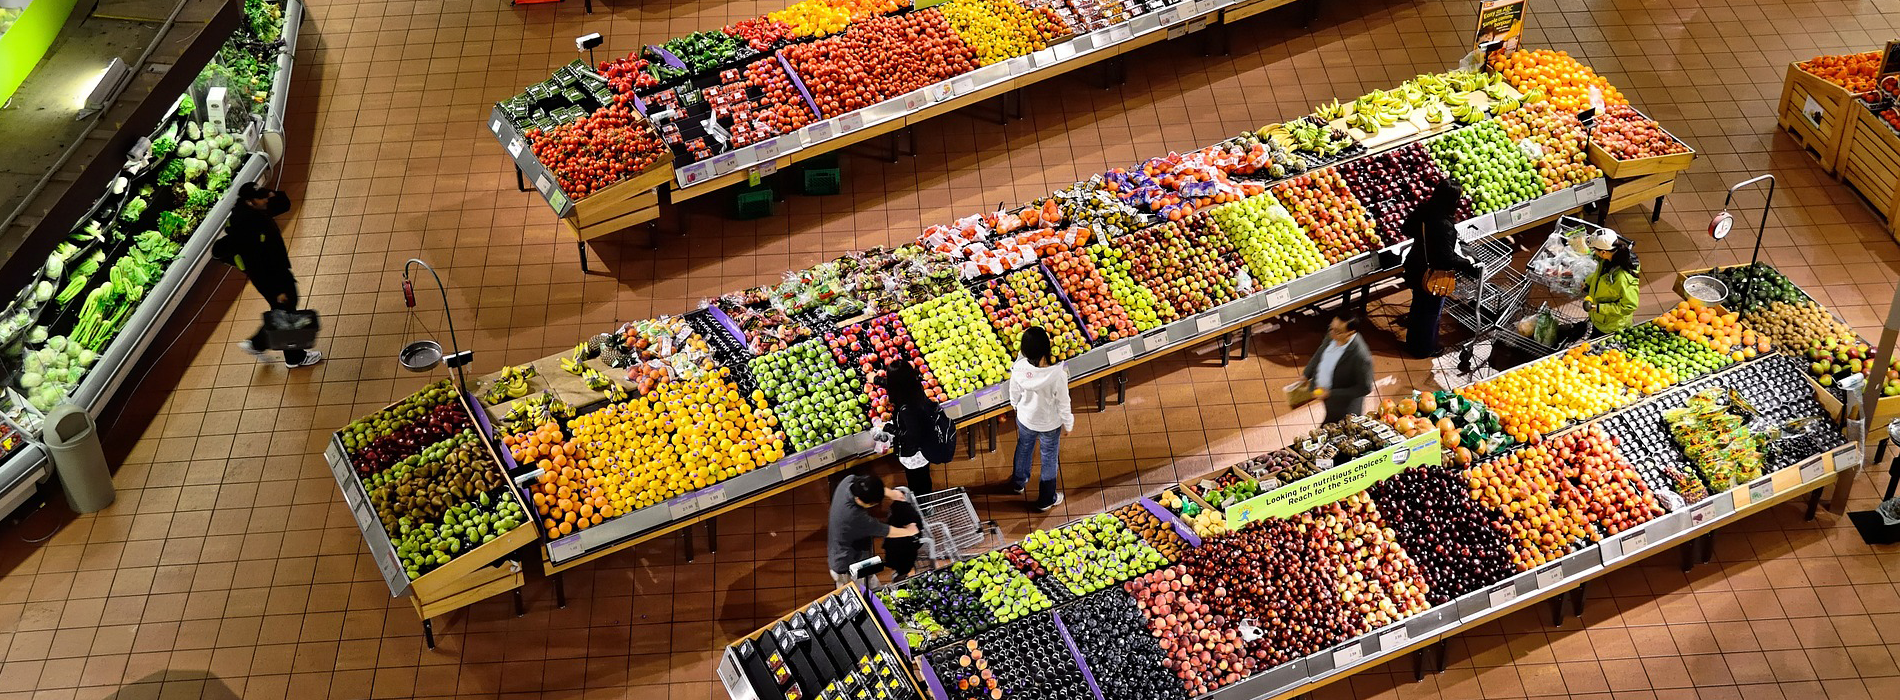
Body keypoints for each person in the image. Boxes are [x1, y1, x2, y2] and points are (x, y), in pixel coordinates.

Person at [221, 182, 321, 368]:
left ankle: (258, 343)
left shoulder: (254, 211)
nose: (267, 200)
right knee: (286, 312)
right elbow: (258, 264)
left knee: (284, 310)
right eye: (262, 198)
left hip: (277, 272)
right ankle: (294, 357)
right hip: (271, 278)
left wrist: (270, 193)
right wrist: (277, 290)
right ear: (251, 201)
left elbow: (284, 204)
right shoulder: (246, 225)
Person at [1400, 181, 1481, 359]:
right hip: (1432, 276)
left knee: (1418, 306)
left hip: (1416, 266)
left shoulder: (1425, 210)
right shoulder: (1444, 225)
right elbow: (1446, 258)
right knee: (1430, 313)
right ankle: (1425, 349)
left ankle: (1413, 343)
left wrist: (1424, 240)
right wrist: (1468, 263)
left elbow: (1405, 228)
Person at [1007, 327, 1073, 512]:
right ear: (1047, 347)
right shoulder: (1057, 375)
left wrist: (1015, 405)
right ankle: (1046, 499)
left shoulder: (1019, 368)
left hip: (1026, 418)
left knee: (1024, 447)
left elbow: (1014, 392)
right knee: (1049, 458)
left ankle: (1018, 483)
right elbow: (1063, 402)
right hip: (1049, 424)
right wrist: (1068, 423)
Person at [878, 360, 954, 496]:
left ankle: (923, 504)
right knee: (923, 476)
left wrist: (889, 428)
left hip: (914, 453)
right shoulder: (916, 389)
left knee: (917, 481)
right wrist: (877, 380)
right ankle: (925, 499)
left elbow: (910, 436)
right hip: (925, 446)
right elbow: (900, 384)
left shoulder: (906, 409)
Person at [827, 473, 918, 586]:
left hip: (850, 548)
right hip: (846, 565)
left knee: (870, 580)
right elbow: (885, 530)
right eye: (872, 504)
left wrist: (891, 493)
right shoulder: (854, 517)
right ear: (859, 500)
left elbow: (870, 486)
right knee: (863, 591)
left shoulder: (848, 481)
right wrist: (909, 531)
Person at [1304, 314, 1374, 425]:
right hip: (1328, 398)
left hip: (1344, 408)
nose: (1331, 333)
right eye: (1331, 328)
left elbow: (1365, 388)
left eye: (1337, 331)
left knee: (1332, 432)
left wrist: (1331, 393)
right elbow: (1321, 351)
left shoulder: (1361, 357)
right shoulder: (1334, 334)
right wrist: (1306, 374)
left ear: (1350, 333)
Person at [1581, 231, 1640, 335]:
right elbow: (1598, 275)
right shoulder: (1606, 260)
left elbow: (1629, 306)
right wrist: (1588, 282)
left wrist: (1598, 308)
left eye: (1595, 250)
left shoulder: (1623, 278)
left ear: (1603, 252)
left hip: (1610, 326)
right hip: (1599, 317)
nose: (1594, 252)